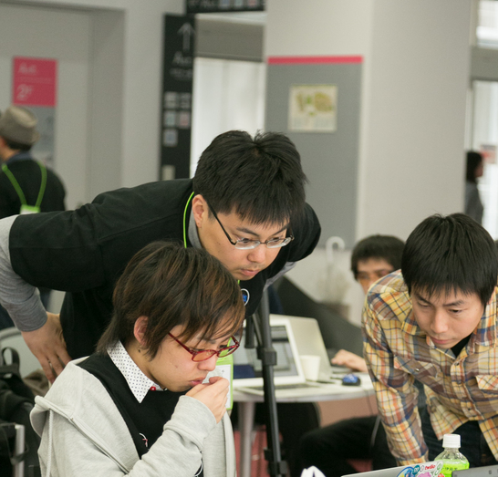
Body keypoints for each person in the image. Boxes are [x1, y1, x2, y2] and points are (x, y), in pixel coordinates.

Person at [32, 242, 294, 477]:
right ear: (144, 330)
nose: (211, 363)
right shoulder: (81, 397)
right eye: (199, 347)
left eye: (222, 346)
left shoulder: (188, 378)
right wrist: (190, 425)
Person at [0, 129, 320, 382]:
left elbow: (293, 249)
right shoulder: (120, 229)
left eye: (275, 239)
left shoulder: (288, 221)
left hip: (196, 390)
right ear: (200, 211)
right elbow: (2, 244)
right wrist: (35, 328)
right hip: (102, 393)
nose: (261, 257)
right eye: (245, 239)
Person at [363, 213, 498, 468]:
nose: (438, 326)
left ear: (488, 295)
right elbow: (394, 401)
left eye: (455, 310)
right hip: (448, 426)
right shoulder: (383, 305)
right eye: (423, 304)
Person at [292, 235, 404, 477]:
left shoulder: (421, 313)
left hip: (422, 420)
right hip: (386, 420)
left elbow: (421, 371)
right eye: (363, 276)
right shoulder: (375, 315)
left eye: (380, 273)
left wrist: (367, 365)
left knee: (386, 442)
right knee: (314, 442)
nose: (370, 283)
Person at [0, 105, 66, 326]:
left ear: (2, 140)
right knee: (35, 343)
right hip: (42, 282)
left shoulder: (3, 179)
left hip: (6, 286)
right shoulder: (52, 180)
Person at [464, 150, 484, 224]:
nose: (483, 169)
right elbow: (469, 216)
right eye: (481, 165)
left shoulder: (467, 186)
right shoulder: (471, 189)